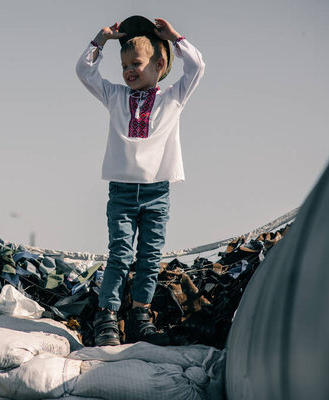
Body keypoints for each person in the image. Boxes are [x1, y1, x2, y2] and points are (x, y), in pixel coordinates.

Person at [76, 17, 205, 346]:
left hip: (156, 193)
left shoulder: (172, 98)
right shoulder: (116, 96)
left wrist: (175, 38)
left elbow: (197, 67)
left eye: (136, 63)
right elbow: (84, 72)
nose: (128, 71)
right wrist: (99, 42)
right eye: (124, 66)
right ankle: (106, 317)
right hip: (121, 192)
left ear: (159, 64)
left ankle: (139, 319)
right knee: (119, 254)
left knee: (149, 257)